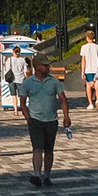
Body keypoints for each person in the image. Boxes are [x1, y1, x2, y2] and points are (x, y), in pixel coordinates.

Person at [18, 55, 66, 187]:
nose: (48, 67)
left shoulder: (54, 81)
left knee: (49, 149)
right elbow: (22, 102)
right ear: (37, 67)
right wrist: (28, 118)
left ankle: (47, 175)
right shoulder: (28, 82)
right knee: (37, 148)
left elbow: (63, 99)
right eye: (45, 65)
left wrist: (66, 116)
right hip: (35, 120)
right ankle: (37, 175)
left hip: (51, 120)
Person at [79, 29, 98, 116]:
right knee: (97, 85)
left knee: (88, 86)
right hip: (97, 69)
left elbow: (83, 60)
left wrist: (82, 71)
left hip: (88, 69)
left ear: (87, 38)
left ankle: (90, 103)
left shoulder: (84, 47)